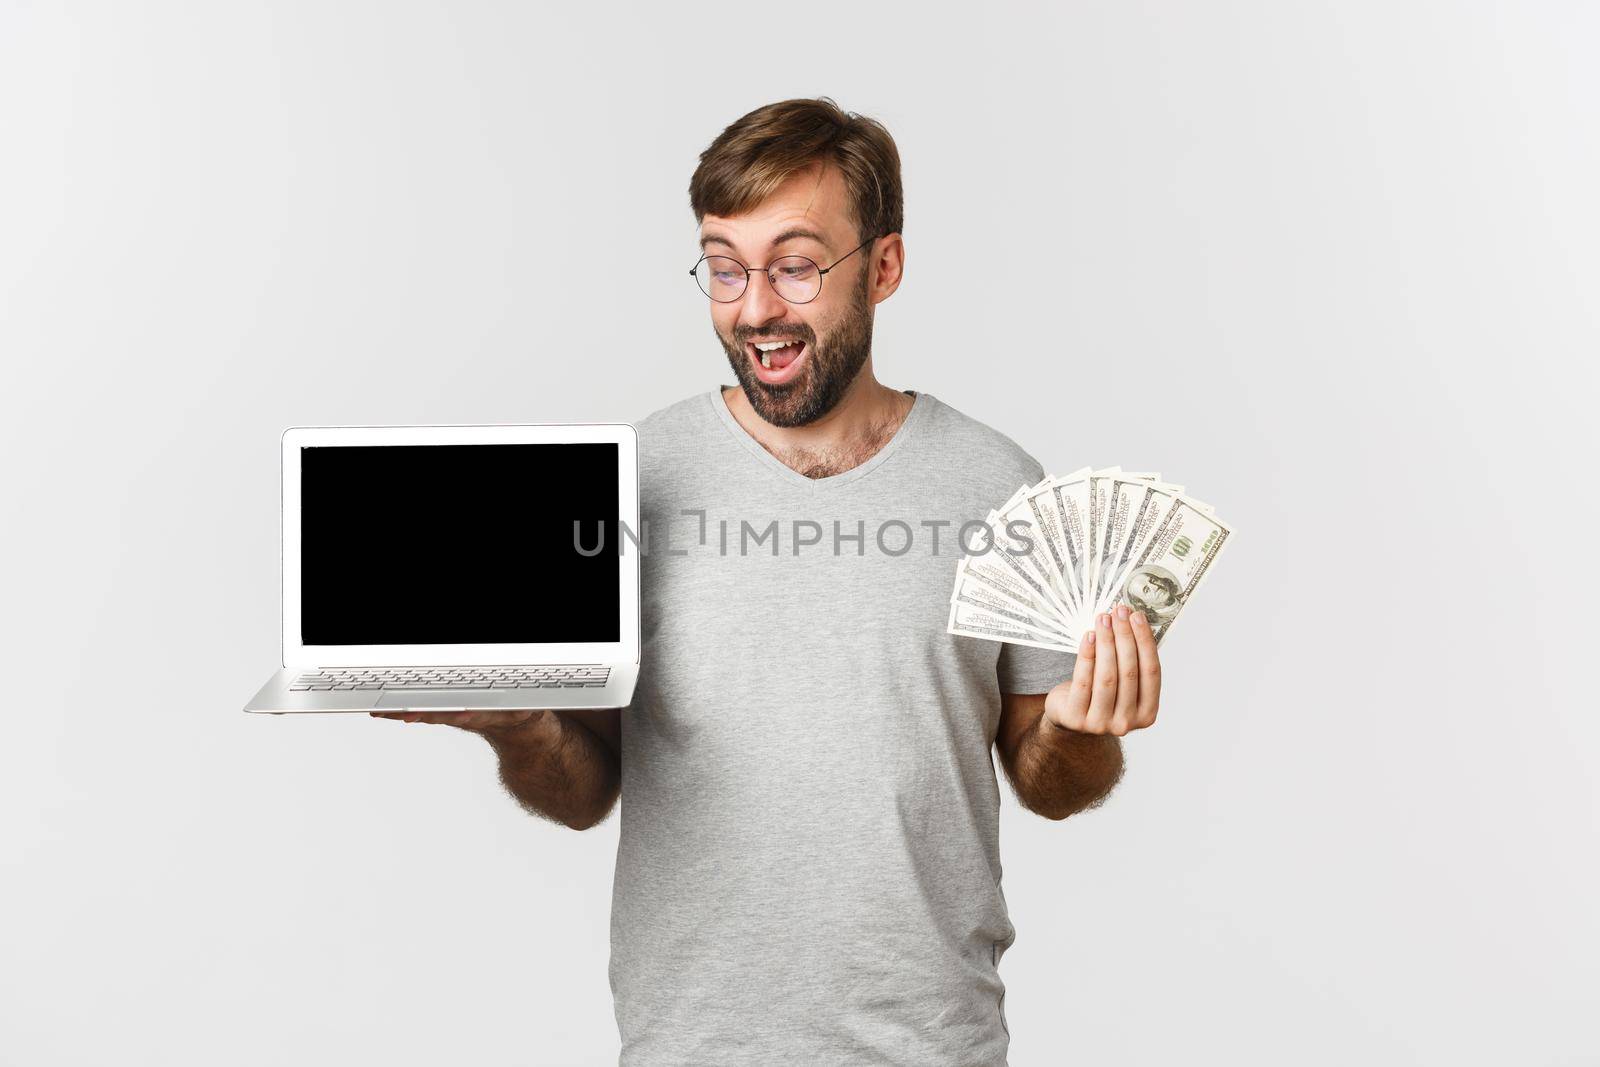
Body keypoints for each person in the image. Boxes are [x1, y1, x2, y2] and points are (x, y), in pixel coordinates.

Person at [374, 96, 1166, 1067]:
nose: (753, 306)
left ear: (882, 266)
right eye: (724, 265)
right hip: (688, 1045)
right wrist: (520, 724)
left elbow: (1046, 780)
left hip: (929, 1045)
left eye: (794, 264)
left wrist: (1081, 732)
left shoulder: (998, 484)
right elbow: (586, 789)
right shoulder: (631, 479)